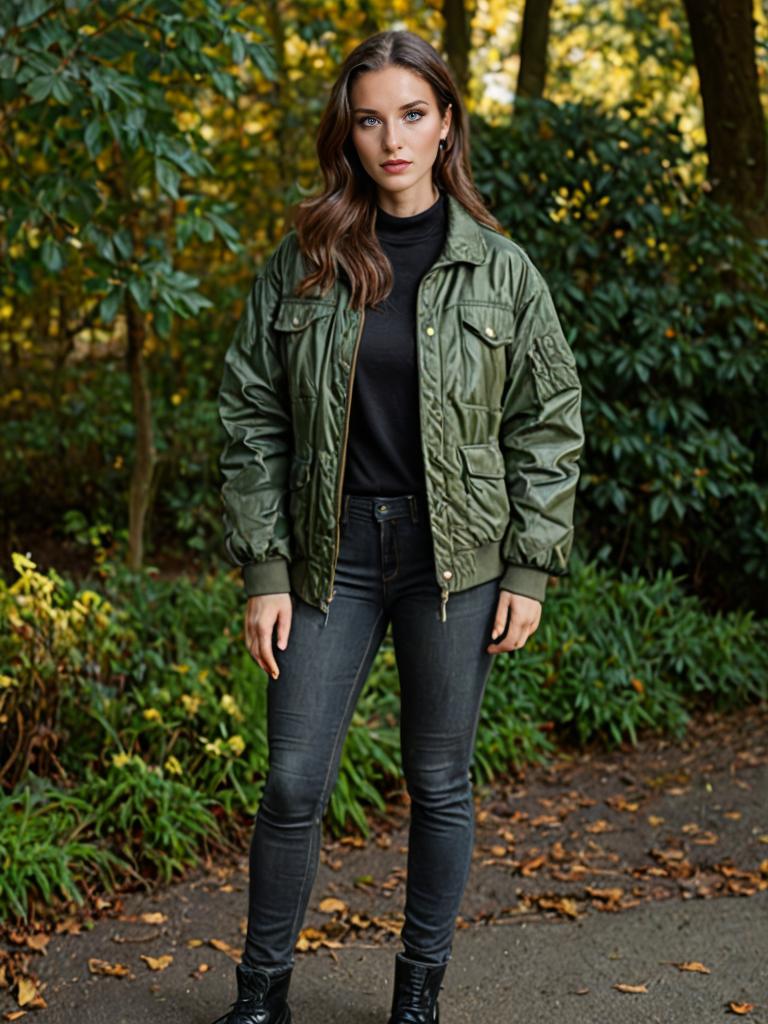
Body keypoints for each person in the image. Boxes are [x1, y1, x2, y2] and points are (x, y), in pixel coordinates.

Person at [213, 28, 584, 1024]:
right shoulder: (304, 261)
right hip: (332, 555)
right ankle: (261, 997)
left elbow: (549, 419)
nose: (393, 138)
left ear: (447, 122)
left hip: (453, 559)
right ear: (350, 131)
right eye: (372, 118)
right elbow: (250, 410)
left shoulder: (503, 272)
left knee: (438, 781)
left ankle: (417, 998)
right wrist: (265, 569)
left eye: (413, 114)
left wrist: (530, 568)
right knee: (293, 778)